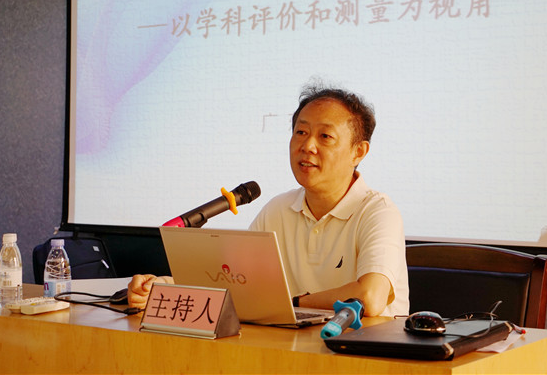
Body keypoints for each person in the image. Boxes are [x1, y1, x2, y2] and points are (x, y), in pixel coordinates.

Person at [128, 84, 409, 317]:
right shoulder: (279, 209)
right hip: (288, 348)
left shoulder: (377, 211)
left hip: (361, 355)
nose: (308, 146)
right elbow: (233, 282)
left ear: (358, 152)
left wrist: (292, 304)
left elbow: (370, 298)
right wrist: (163, 286)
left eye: (325, 136)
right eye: (301, 132)